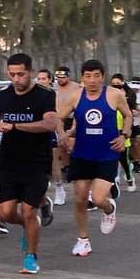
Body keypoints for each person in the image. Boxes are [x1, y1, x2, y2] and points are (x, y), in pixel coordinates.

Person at [0, 54, 57, 275]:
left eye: (21, 74)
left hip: (36, 161)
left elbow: (50, 123)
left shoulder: (45, 95)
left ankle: (30, 257)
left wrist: (16, 126)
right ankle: (31, 223)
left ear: (31, 73)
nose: (16, 79)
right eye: (12, 74)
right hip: (9, 161)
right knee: (6, 214)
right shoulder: (4, 95)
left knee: (27, 211)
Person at [58, 59, 132, 257]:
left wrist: (124, 135)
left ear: (103, 76)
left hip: (107, 153)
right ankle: (83, 240)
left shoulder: (114, 94)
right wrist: (65, 136)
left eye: (96, 76)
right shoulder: (75, 97)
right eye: (88, 76)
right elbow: (57, 118)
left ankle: (109, 208)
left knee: (98, 198)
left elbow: (128, 115)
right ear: (82, 78)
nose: (92, 80)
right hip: (82, 154)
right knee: (80, 199)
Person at [52, 66, 81, 205]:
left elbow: (80, 108)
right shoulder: (53, 89)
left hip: (74, 119)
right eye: (58, 77)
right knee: (60, 149)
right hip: (58, 120)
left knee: (73, 147)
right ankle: (66, 172)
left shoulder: (76, 88)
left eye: (63, 77)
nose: (60, 80)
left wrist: (75, 126)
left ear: (68, 76)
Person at [109, 73, 137, 191]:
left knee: (124, 159)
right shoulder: (109, 96)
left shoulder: (129, 95)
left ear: (122, 83)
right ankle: (114, 179)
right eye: (113, 84)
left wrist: (128, 129)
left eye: (118, 84)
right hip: (111, 129)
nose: (116, 86)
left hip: (123, 130)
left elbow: (130, 115)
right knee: (111, 158)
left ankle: (130, 179)